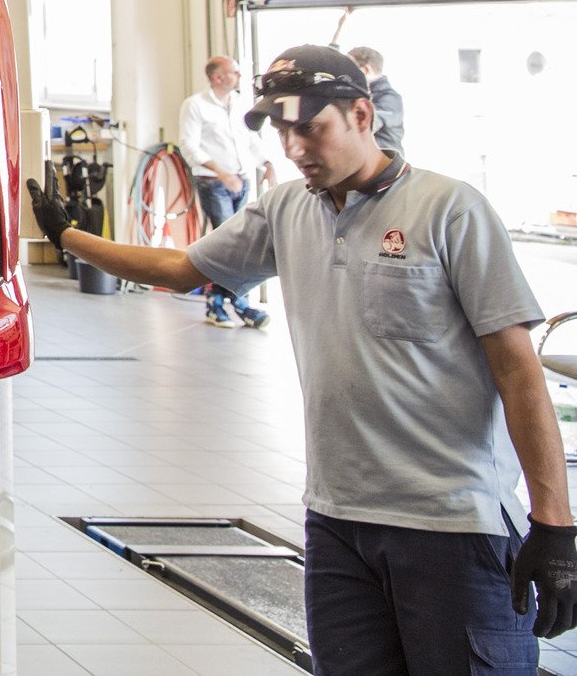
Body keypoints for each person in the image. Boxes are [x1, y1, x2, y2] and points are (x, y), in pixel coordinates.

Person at [30, 45, 577, 672]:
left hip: (453, 524)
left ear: (363, 115)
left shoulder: (451, 210)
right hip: (338, 521)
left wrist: (554, 525)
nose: (292, 148)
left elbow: (519, 373)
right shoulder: (286, 210)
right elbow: (183, 270)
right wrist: (70, 238)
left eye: (310, 127)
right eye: (283, 130)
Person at [179, 55, 270, 328]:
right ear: (217, 77)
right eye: (234, 72)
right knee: (230, 245)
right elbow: (189, 146)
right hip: (214, 183)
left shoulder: (241, 104)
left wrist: (267, 164)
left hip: (241, 181)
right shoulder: (195, 106)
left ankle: (218, 301)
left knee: (241, 245)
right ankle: (239, 304)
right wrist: (221, 172)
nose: (239, 77)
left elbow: (250, 140)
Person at [350, 45, 405, 157]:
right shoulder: (362, 95)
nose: (346, 75)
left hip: (387, 169)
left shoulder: (389, 99)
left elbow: (366, 125)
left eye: (350, 70)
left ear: (366, 70)